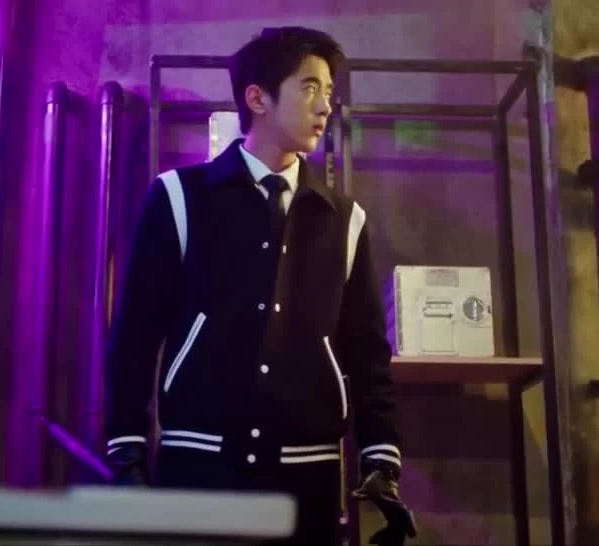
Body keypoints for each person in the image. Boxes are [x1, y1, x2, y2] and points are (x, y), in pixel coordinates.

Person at [103, 27, 416, 546]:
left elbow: (366, 353)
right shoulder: (179, 199)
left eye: (329, 92)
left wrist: (381, 458)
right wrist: (126, 451)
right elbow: (135, 336)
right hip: (198, 469)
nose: (325, 106)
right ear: (257, 98)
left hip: (307, 482)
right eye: (310, 88)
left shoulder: (345, 219)